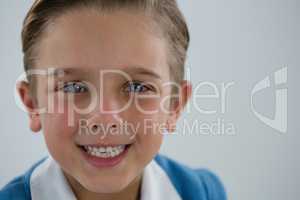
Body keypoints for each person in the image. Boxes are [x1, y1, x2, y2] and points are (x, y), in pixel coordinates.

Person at [0, 0, 226, 199]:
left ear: (175, 105)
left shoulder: (203, 193)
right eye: (73, 87)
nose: (106, 119)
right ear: (32, 104)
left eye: (137, 87)